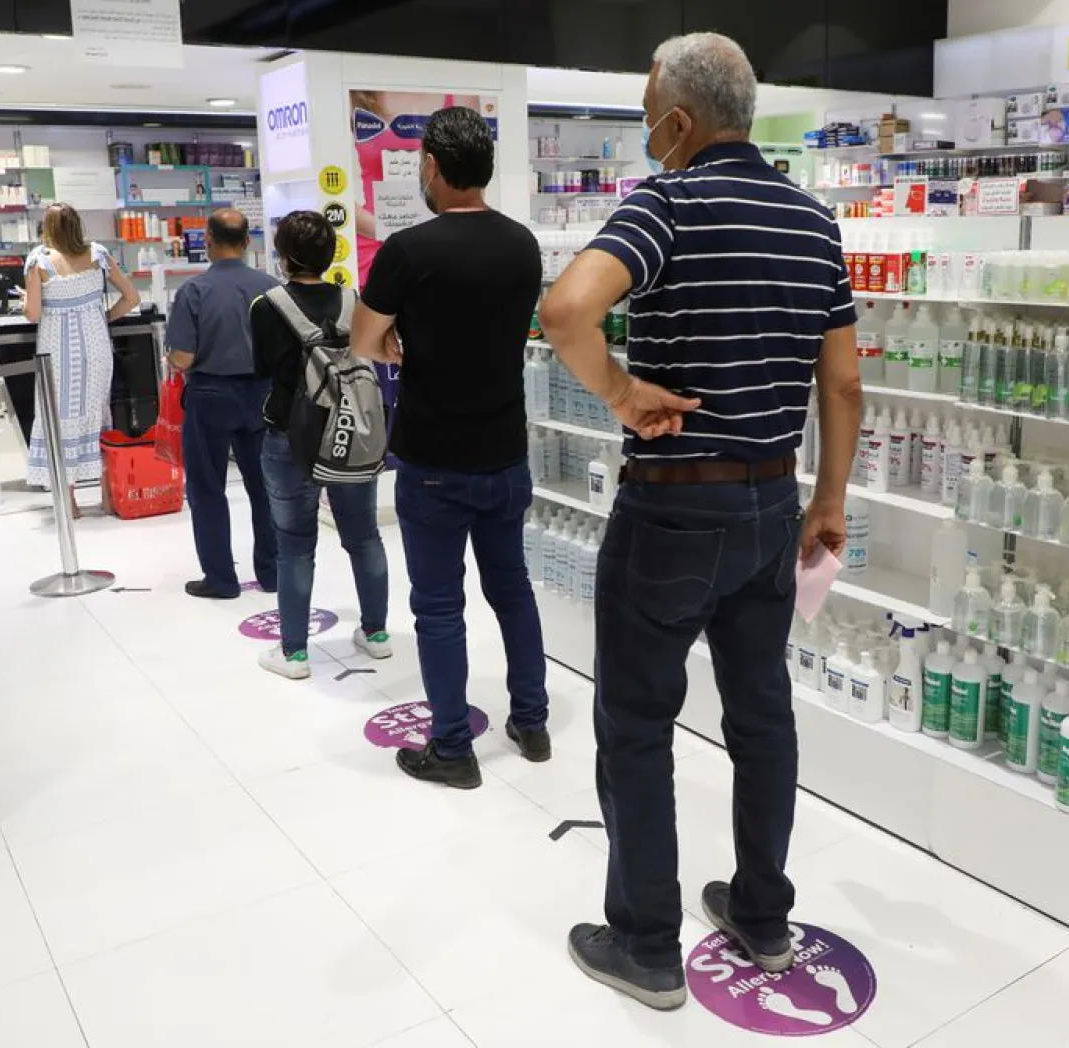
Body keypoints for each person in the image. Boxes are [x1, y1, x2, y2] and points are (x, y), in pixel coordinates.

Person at [540, 32, 862, 1010]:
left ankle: (644, 940)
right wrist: (830, 498)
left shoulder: (666, 204)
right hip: (773, 503)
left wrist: (625, 390)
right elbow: (843, 381)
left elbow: (565, 310)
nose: (648, 136)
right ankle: (763, 914)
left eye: (648, 119)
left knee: (637, 721)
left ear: (680, 123)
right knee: (761, 713)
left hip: (675, 507)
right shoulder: (814, 223)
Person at [351, 107, 551, 791]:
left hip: (435, 461)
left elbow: (362, 342)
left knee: (438, 608)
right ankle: (532, 720)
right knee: (513, 591)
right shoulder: (523, 246)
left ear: (431, 168)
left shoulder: (408, 252)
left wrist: (400, 344)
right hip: (506, 452)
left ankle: (451, 750)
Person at [249, 211, 391, 679]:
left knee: (294, 545)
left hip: (289, 436)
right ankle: (376, 636)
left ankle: (294, 654)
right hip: (352, 432)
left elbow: (263, 369)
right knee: (364, 536)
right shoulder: (355, 300)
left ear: (285, 256)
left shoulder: (266, 306)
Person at [164, 209, 280, 599]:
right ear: (248, 242)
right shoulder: (271, 287)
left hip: (211, 396)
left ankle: (221, 579)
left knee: (208, 488)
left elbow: (180, 356)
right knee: (264, 487)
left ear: (208, 241)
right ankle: (272, 572)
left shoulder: (194, 290)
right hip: (263, 395)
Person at [23, 203, 140, 514]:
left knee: (59, 418)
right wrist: (103, 318)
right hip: (96, 347)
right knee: (99, 414)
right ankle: (108, 495)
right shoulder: (98, 254)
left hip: (57, 351)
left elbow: (33, 315)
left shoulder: (39, 261)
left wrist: (27, 300)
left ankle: (69, 501)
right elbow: (132, 298)